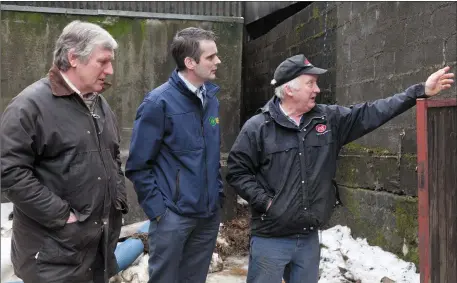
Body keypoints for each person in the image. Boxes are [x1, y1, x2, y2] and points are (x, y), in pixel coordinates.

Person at [226, 54, 454, 283]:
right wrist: (267, 202)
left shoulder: (329, 119)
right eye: (310, 83)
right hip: (271, 238)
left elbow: (374, 112)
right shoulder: (258, 127)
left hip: (307, 237)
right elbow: (237, 171)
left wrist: (419, 91)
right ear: (289, 90)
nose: (317, 89)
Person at [0, 20, 129, 283]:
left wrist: (118, 203)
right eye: (102, 62)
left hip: (96, 250)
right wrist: (63, 216)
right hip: (52, 257)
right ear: (73, 58)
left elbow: (113, 158)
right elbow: (9, 172)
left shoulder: (100, 104)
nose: (111, 70)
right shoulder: (29, 107)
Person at [125, 27, 224, 283]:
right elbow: (138, 165)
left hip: (207, 216)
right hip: (173, 218)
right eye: (211, 57)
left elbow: (211, 156)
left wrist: (217, 197)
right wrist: (160, 213)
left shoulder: (211, 99)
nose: (218, 61)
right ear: (190, 62)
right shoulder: (158, 103)